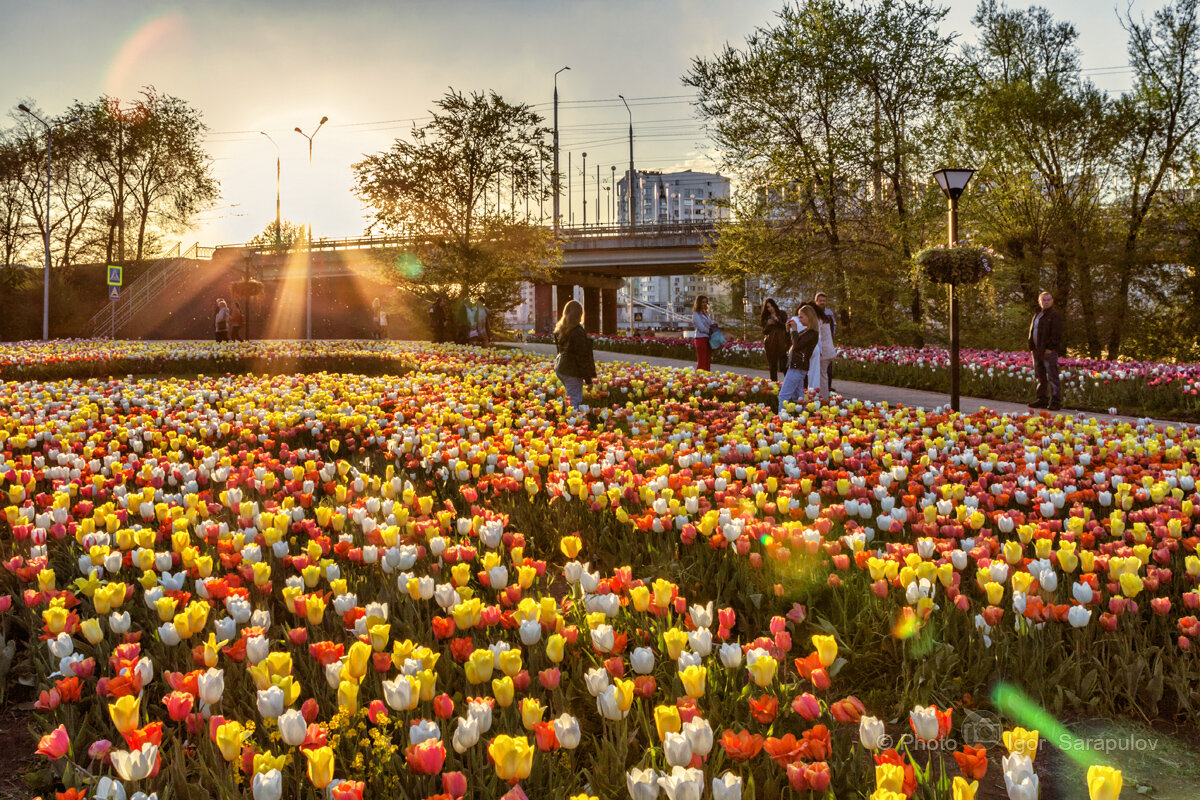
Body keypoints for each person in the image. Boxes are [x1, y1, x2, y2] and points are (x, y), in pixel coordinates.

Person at [778, 304, 821, 414]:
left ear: (809, 317)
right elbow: (791, 346)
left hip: (798, 367)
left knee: (783, 396)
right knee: (799, 398)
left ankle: (781, 419)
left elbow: (796, 344)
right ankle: (803, 419)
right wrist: (788, 332)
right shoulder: (805, 332)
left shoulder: (812, 333)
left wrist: (795, 330)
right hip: (798, 366)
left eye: (801, 317)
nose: (799, 319)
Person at [553, 299, 596, 408]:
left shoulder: (561, 329)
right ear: (580, 315)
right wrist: (588, 379)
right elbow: (582, 357)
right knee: (574, 400)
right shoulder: (577, 332)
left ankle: (568, 420)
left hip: (561, 369)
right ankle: (570, 423)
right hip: (572, 371)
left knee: (570, 397)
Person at [1027, 290, 1063, 410]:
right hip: (1036, 351)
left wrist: (1050, 348)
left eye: (1048, 300)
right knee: (1040, 376)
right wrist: (1031, 346)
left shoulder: (1054, 315)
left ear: (1052, 301)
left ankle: (1055, 402)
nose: (1046, 302)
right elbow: (1033, 331)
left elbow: (1056, 334)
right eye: (1044, 300)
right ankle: (1042, 399)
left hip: (1048, 351)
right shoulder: (1037, 314)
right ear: (1039, 301)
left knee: (1052, 377)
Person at [761, 298, 789, 382]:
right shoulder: (765, 317)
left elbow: (786, 327)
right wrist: (768, 324)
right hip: (770, 344)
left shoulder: (782, 313)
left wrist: (777, 320)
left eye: (771, 306)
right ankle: (774, 386)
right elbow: (764, 332)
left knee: (784, 366)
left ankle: (788, 386)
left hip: (782, 343)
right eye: (768, 307)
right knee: (772, 366)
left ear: (774, 305)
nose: (770, 308)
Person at [814, 291, 837, 392]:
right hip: (826, 348)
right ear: (816, 302)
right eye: (820, 301)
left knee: (822, 375)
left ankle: (823, 398)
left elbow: (818, 335)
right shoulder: (817, 314)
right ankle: (823, 396)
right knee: (822, 375)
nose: (822, 302)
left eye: (824, 301)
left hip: (824, 349)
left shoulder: (826, 314)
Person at [692, 295, 718, 371]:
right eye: (703, 302)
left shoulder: (706, 314)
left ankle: (707, 377)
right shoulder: (696, 314)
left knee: (707, 360)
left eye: (706, 302)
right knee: (702, 361)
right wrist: (710, 330)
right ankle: (700, 378)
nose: (704, 304)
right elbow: (701, 327)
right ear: (699, 303)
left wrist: (713, 327)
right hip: (700, 338)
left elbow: (710, 324)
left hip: (708, 339)